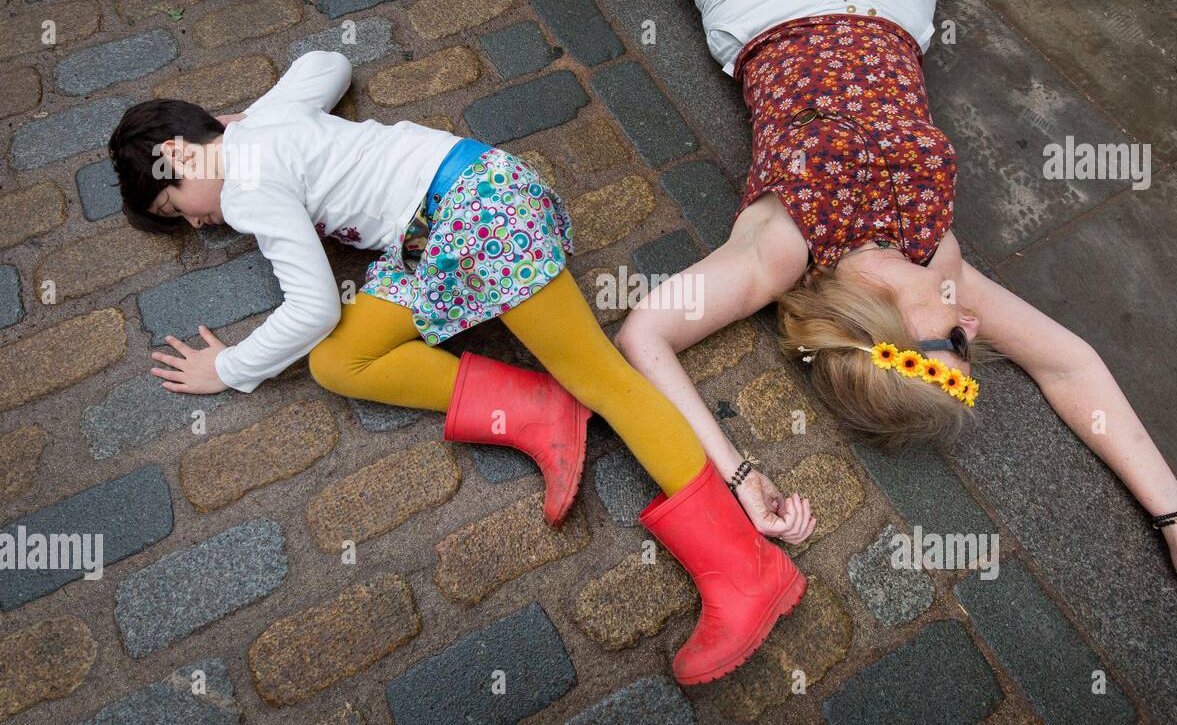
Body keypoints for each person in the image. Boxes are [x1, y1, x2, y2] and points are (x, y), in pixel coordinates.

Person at [588, 0, 1177, 618]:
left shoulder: (785, 255)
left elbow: (645, 333)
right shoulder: (937, 267)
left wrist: (743, 478)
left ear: (895, 332)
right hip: (889, 8)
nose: (974, 327)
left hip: (764, 8)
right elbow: (1072, 365)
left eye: (957, 343)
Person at [108, 50, 815, 684]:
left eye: (178, 206)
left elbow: (313, 304)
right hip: (433, 227)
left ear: (179, 152)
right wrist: (244, 117)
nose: (199, 224)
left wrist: (229, 368)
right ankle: (542, 409)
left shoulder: (247, 186)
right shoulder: (264, 122)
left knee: (606, 377)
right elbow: (327, 63)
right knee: (341, 360)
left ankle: (748, 575)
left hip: (478, 215)